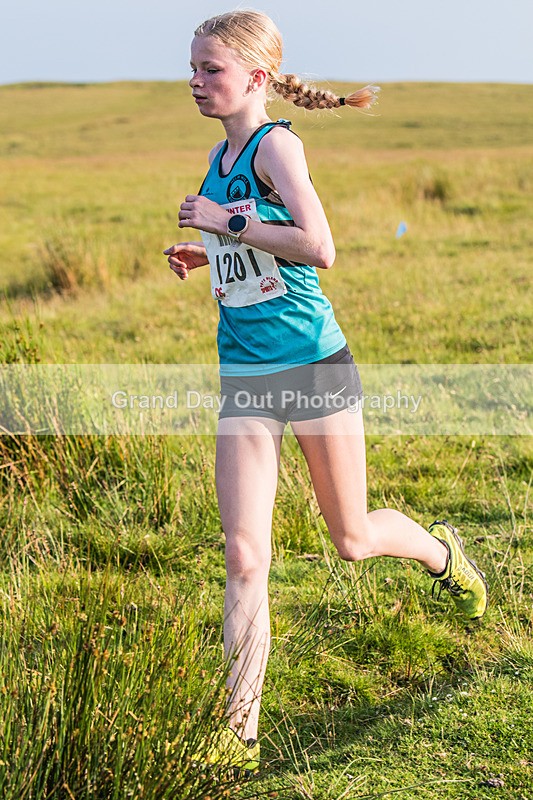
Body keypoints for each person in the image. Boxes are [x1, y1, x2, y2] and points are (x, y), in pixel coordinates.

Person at [163, 9, 488, 775]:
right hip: (243, 374)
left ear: (254, 76)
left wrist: (226, 223)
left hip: (313, 370)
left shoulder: (277, 145)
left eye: (209, 69)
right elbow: (260, 245)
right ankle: (235, 732)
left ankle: (444, 554)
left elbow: (319, 246)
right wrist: (207, 251)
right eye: (193, 68)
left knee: (350, 541)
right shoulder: (220, 154)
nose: (195, 81)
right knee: (244, 553)